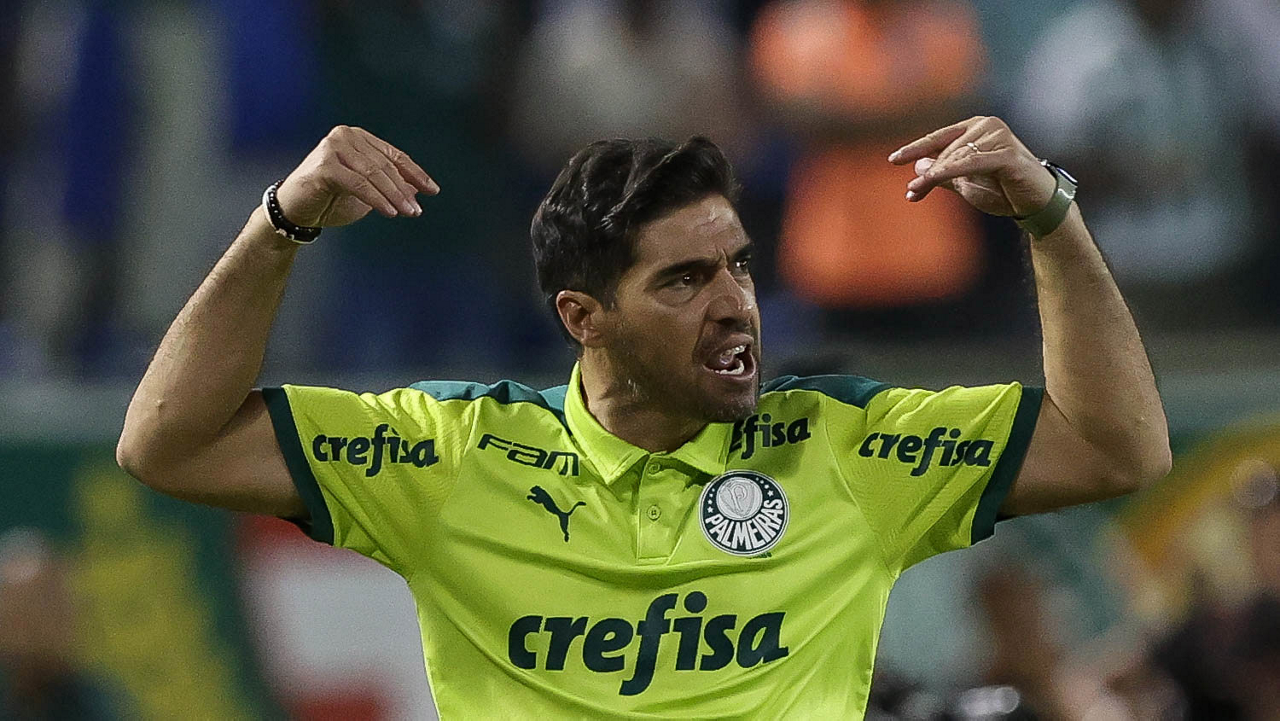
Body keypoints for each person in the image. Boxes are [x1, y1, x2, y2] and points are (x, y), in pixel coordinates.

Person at [116, 117, 1171, 718]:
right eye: (683, 280)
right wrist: (279, 226)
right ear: (584, 317)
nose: (735, 302)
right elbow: (167, 442)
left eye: (739, 266)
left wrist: (1050, 219)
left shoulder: (845, 444)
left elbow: (1117, 447)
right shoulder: (452, 456)